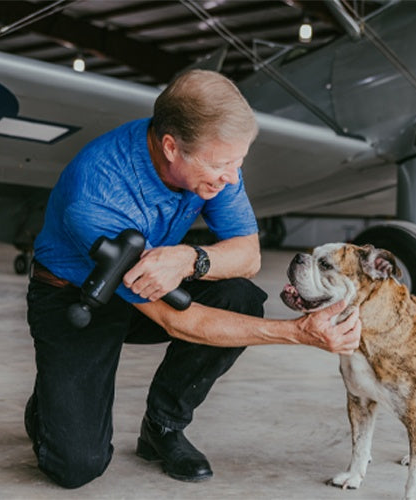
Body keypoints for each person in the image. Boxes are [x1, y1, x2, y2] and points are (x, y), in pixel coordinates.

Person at [25, 69, 361, 489]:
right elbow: (177, 321)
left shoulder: (216, 165)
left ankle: (162, 427)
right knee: (76, 467)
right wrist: (297, 332)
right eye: (222, 164)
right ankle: (48, 405)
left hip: (151, 280)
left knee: (240, 297)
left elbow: (248, 255)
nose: (231, 177)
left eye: (237, 163)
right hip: (75, 299)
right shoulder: (96, 197)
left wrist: (190, 259)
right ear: (171, 147)